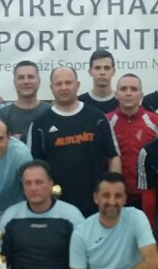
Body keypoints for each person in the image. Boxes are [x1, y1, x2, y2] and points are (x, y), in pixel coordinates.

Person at [27, 67, 121, 216]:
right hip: (55, 208)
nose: (64, 87)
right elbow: (33, 169)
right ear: (51, 88)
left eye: (68, 83)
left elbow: (113, 157)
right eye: (59, 84)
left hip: (95, 205)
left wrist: (112, 193)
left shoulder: (98, 118)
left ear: (77, 85)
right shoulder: (39, 125)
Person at [106, 74, 158, 210]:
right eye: (123, 89)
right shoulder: (106, 122)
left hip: (148, 195)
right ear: (116, 94)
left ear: (141, 95)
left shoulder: (155, 122)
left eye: (134, 89)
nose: (128, 93)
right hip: (116, 196)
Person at [0, 61, 51, 143]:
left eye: (30, 77)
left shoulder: (50, 112)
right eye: (21, 77)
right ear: (14, 82)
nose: (26, 82)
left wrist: (20, 138)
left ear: (39, 81)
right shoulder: (3, 115)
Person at [79, 49, 119, 113]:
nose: (102, 72)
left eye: (107, 68)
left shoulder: (122, 101)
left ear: (113, 72)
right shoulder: (79, 103)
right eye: (97, 68)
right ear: (90, 72)